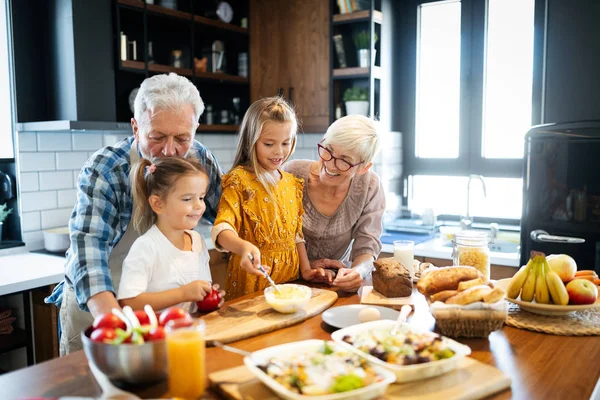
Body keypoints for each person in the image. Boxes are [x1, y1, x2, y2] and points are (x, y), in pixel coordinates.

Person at [45, 73, 222, 355]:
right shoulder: (106, 168)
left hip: (165, 312)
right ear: (136, 127)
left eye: (182, 137)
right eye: (157, 136)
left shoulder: (199, 159)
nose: (170, 150)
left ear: (195, 129)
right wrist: (112, 322)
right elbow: (88, 249)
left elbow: (225, 216)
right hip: (102, 304)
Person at [211, 96, 333, 300]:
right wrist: (243, 248)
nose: (279, 152)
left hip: (290, 283)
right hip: (252, 285)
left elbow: (296, 235)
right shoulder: (239, 180)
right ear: (252, 141)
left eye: (286, 143)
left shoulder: (292, 183)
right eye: (269, 144)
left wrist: (306, 270)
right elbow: (221, 229)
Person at [282, 115, 385, 293]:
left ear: (364, 167)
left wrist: (357, 272)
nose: (330, 164)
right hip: (286, 285)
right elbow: (275, 238)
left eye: (344, 160)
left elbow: (367, 244)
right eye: (328, 150)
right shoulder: (292, 174)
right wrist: (306, 266)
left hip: (335, 286)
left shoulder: (370, 186)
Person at [117, 157, 225, 312]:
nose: (199, 205)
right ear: (158, 204)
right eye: (187, 199)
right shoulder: (146, 247)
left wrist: (210, 297)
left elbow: (199, 293)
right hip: (159, 334)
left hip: (191, 332)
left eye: (201, 197)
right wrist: (183, 293)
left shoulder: (197, 241)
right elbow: (129, 302)